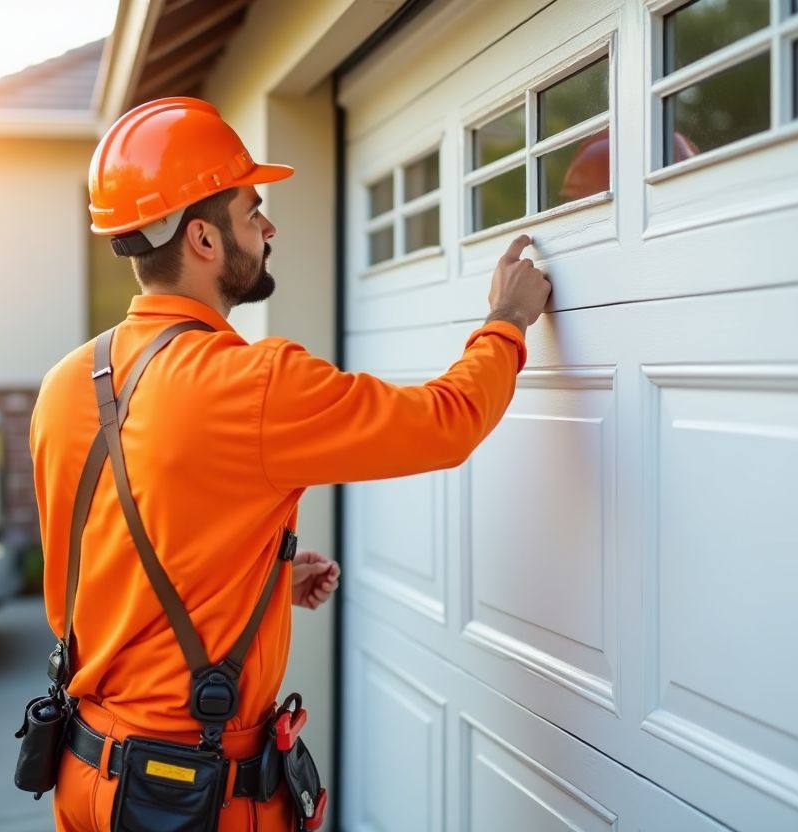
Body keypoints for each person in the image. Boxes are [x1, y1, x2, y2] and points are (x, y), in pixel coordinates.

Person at [29, 96, 550, 832]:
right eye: (252, 210)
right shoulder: (254, 384)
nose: (268, 228)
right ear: (204, 239)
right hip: (189, 797)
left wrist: (262, 573)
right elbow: (444, 425)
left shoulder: (65, 385)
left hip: (83, 776)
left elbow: (113, 555)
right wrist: (506, 324)